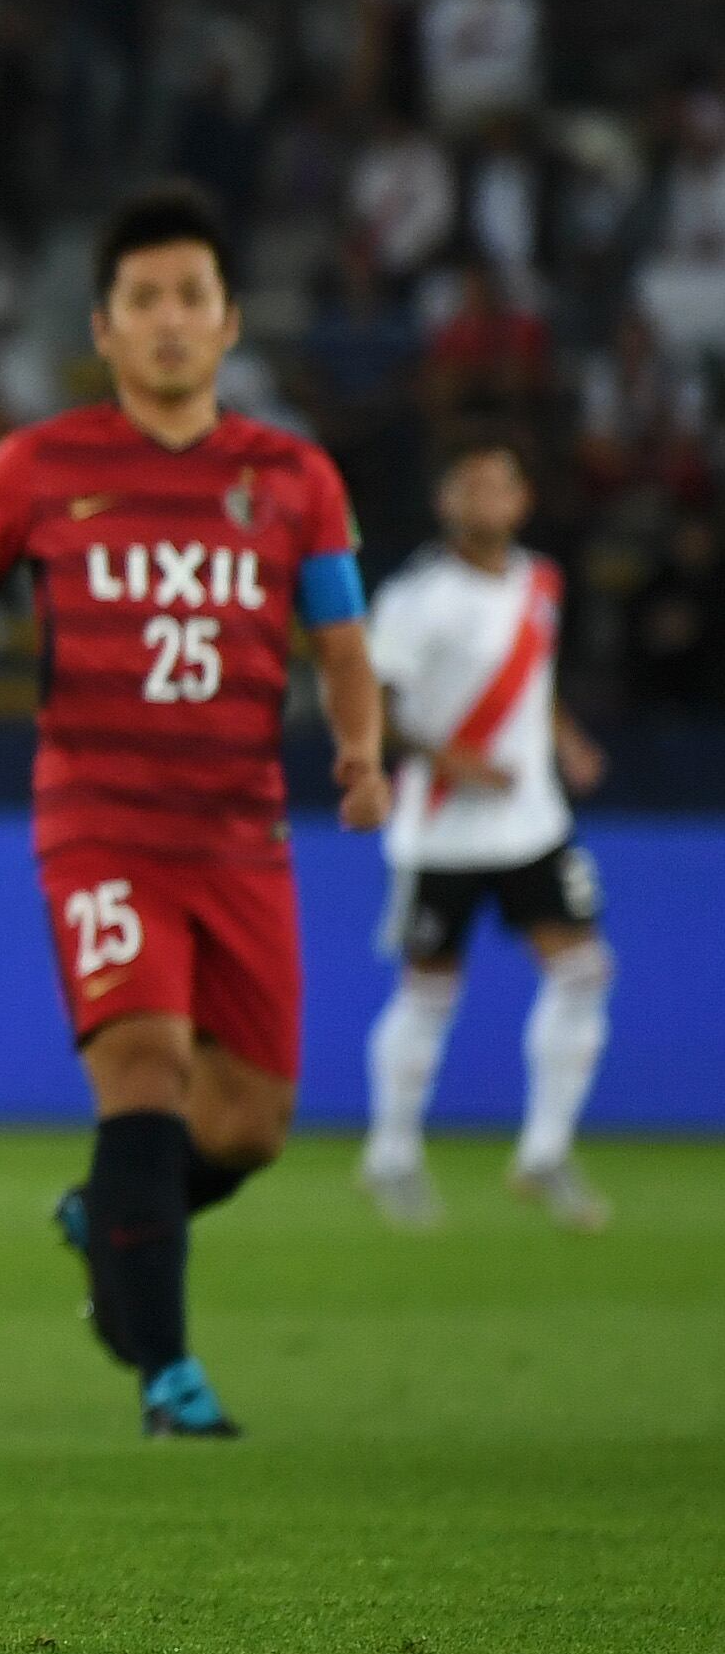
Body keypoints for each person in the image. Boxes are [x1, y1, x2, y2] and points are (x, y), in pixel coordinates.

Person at [0, 181, 387, 1439]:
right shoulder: (36, 465)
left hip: (240, 834)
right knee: (143, 1072)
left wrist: (359, 752)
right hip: (100, 825)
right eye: (141, 299)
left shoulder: (296, 477)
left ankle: (113, 1216)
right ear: (102, 325)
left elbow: (343, 641)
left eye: (188, 297)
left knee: (248, 1125)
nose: (166, 320)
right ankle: (168, 1373)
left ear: (228, 320)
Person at [357, 442, 614, 1232]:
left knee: (581, 969)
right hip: (441, 830)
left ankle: (543, 1150)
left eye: (499, 483)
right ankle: (391, 1155)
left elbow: (531, 678)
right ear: (445, 503)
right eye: (468, 484)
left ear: (521, 500)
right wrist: (447, 758)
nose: (485, 497)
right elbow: (373, 705)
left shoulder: (541, 581)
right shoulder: (414, 598)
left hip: (530, 821)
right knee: (429, 989)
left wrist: (566, 738)